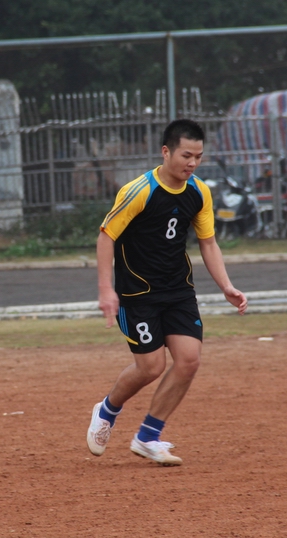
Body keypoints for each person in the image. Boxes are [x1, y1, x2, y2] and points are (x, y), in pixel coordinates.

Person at [87, 118, 248, 466]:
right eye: (186, 155)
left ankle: (148, 436)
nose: (192, 163)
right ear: (166, 151)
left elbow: (208, 242)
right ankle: (108, 409)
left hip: (178, 290)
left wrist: (226, 286)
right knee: (151, 367)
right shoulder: (139, 191)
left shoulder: (199, 192)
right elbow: (106, 236)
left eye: (198, 157)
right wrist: (106, 290)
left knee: (189, 360)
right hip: (137, 294)